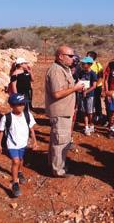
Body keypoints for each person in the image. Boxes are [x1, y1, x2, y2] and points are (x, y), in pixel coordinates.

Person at [45, 45, 84, 177]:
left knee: (57, 140)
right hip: (60, 111)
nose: (73, 58)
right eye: (70, 56)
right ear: (60, 56)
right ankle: (58, 170)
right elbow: (56, 94)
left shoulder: (64, 69)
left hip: (64, 111)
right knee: (61, 142)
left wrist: (75, 86)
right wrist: (75, 88)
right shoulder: (56, 71)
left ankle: (54, 165)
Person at [0, 93, 37, 197]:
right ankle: (15, 183)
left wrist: (35, 141)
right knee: (15, 161)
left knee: (21, 159)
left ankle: (19, 172)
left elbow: (31, 128)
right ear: (11, 105)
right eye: (18, 104)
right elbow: (1, 131)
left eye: (23, 104)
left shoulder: (27, 115)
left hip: (23, 143)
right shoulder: (7, 118)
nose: (21, 106)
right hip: (12, 144)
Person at [78, 56, 98, 136]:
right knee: (84, 111)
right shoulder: (81, 72)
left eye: (84, 63)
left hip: (90, 95)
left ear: (89, 64)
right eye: (82, 63)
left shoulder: (93, 74)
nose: (82, 65)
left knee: (90, 112)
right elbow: (79, 81)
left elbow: (94, 86)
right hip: (82, 94)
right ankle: (86, 127)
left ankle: (91, 125)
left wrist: (87, 91)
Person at [87, 51, 104, 123]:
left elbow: (100, 76)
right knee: (89, 100)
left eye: (88, 56)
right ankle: (89, 115)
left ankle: (98, 115)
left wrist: (96, 85)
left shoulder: (98, 65)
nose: (86, 57)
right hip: (88, 86)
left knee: (97, 101)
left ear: (92, 57)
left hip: (97, 86)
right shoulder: (86, 64)